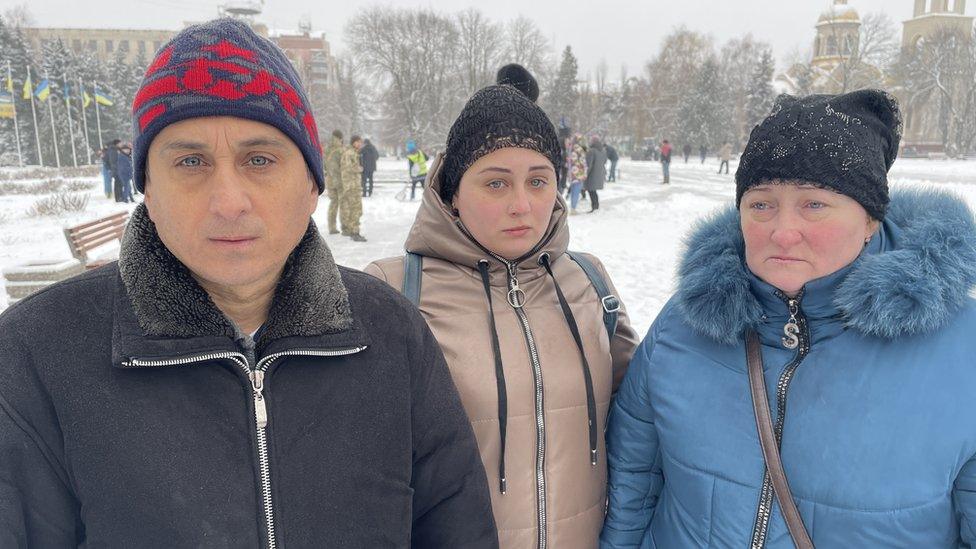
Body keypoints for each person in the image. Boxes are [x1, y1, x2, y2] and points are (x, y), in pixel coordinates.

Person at [0, 18, 497, 548]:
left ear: (311, 184)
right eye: (191, 161)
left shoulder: (389, 330)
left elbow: (455, 527)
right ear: (146, 185)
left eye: (259, 159)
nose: (229, 201)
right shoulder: (39, 351)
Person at [601, 90, 976, 548]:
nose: (781, 231)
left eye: (814, 204)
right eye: (761, 204)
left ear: (871, 220)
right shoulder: (683, 323)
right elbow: (634, 477)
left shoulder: (961, 348)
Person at [366, 64, 638, 549]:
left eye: (539, 181)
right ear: (452, 193)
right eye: (495, 183)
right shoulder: (394, 290)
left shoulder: (588, 280)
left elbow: (642, 418)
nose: (522, 204)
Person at [341, 135, 366, 241]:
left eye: (361, 142)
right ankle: (355, 232)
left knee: (350, 208)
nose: (360, 144)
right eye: (358, 142)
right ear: (354, 142)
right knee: (355, 209)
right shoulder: (350, 153)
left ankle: (349, 229)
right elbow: (349, 168)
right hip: (352, 186)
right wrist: (359, 168)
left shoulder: (352, 153)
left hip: (351, 185)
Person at [323, 129, 344, 235]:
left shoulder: (327, 147)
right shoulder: (339, 148)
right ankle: (345, 227)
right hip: (338, 179)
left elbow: (325, 164)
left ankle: (332, 226)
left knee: (333, 203)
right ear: (340, 137)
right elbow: (336, 166)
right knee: (343, 203)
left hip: (329, 179)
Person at [585, 136, 607, 213]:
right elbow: (605, 161)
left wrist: (586, 173)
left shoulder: (592, 151)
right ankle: (596, 206)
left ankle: (594, 207)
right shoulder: (603, 150)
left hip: (592, 174)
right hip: (599, 173)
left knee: (591, 190)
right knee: (593, 190)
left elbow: (589, 164)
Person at [567, 133, 587, 214]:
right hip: (578, 173)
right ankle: (573, 209)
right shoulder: (579, 149)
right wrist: (585, 173)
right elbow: (583, 162)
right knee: (576, 190)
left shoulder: (570, 148)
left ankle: (572, 207)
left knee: (573, 190)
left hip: (572, 173)